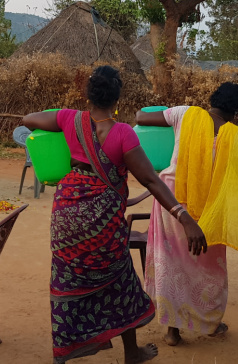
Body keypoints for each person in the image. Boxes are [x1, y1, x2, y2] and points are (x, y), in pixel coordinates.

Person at [23, 65, 207, 364]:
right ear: (117, 99)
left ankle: (64, 354)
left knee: (67, 280)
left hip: (67, 216)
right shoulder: (123, 134)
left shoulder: (70, 119)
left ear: (88, 95)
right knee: (120, 281)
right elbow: (151, 180)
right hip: (103, 224)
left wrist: (61, 119)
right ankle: (131, 353)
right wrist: (184, 218)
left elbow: (29, 119)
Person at [135, 82, 238, 347]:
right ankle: (209, 323)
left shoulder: (185, 114)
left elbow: (140, 117)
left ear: (212, 100)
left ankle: (172, 330)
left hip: (171, 202)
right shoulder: (235, 137)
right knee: (208, 269)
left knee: (171, 264)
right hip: (211, 209)